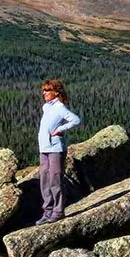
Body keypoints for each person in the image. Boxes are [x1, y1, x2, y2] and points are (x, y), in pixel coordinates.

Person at [36, 79, 81, 225]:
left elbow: (75, 120)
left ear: (56, 92)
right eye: (43, 90)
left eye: (47, 90)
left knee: (55, 180)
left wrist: (60, 130)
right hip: (44, 148)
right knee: (45, 180)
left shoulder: (60, 107)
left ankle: (58, 211)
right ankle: (47, 211)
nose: (44, 93)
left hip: (55, 148)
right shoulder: (46, 107)